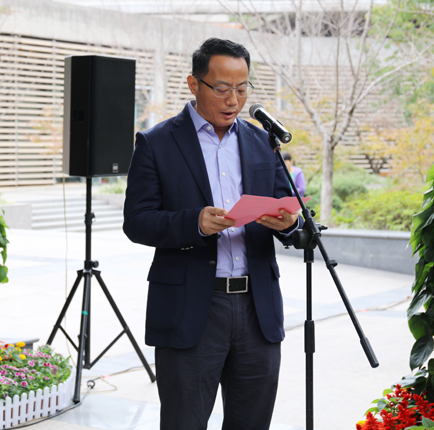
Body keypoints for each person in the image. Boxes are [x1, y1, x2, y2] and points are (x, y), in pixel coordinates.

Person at [123, 37, 301, 430]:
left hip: (257, 309)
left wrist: (291, 224)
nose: (232, 100)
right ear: (194, 84)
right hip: (191, 310)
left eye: (241, 89)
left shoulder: (261, 141)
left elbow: (293, 213)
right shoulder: (157, 143)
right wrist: (195, 223)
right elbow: (136, 221)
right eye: (221, 89)